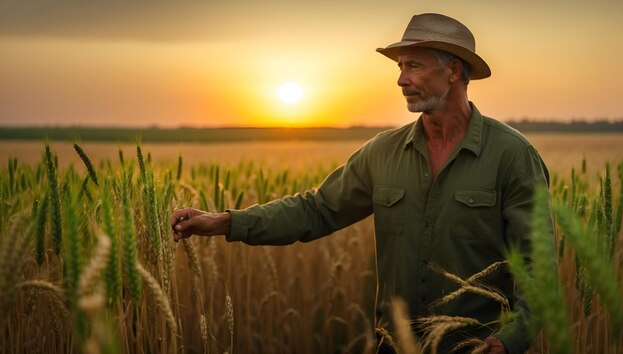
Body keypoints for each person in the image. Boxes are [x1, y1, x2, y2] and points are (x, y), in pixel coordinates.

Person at [171, 13, 553, 354]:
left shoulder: (511, 156)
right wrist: (223, 222)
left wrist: (510, 339)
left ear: (453, 71)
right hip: (394, 345)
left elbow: (540, 266)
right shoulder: (383, 153)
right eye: (400, 67)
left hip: (474, 348)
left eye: (413, 66)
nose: (401, 79)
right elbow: (316, 209)